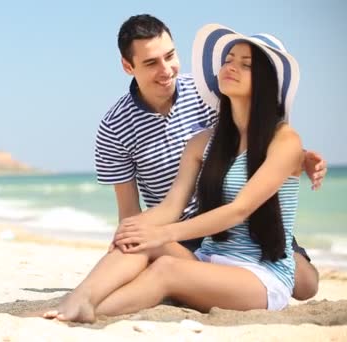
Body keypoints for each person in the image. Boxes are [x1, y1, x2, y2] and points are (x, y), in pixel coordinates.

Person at [44, 23, 312, 322]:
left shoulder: (285, 140)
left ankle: (87, 312)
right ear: (128, 66)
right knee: (139, 239)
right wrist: (133, 231)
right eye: (228, 60)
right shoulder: (201, 141)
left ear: (265, 82)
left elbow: (240, 209)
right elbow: (172, 206)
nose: (231, 67)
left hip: (260, 272)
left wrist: (162, 233)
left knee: (165, 268)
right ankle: (80, 299)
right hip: (209, 255)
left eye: (245, 64)